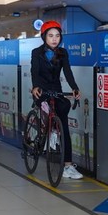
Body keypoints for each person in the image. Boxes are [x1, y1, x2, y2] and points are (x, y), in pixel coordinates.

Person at [30, 20, 83, 180]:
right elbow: (35, 72)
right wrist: (35, 87)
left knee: (64, 123)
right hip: (41, 91)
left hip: (56, 91)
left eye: (57, 36)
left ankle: (68, 166)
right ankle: (48, 131)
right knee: (47, 108)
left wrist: (74, 88)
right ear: (44, 36)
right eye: (51, 35)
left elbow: (67, 72)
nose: (54, 39)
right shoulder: (36, 52)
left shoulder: (63, 53)